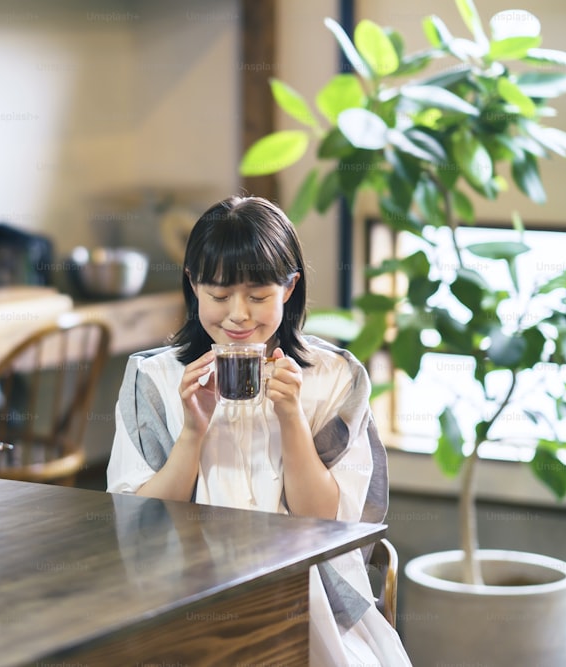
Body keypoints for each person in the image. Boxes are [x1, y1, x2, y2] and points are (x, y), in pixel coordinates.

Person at [106, 195, 412, 666]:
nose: (238, 316)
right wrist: (193, 430)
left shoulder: (334, 375)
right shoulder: (156, 379)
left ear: (288, 288)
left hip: (305, 595)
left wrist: (290, 415)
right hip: (186, 597)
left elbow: (330, 522)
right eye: (220, 295)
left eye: (258, 296)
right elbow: (139, 522)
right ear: (193, 285)